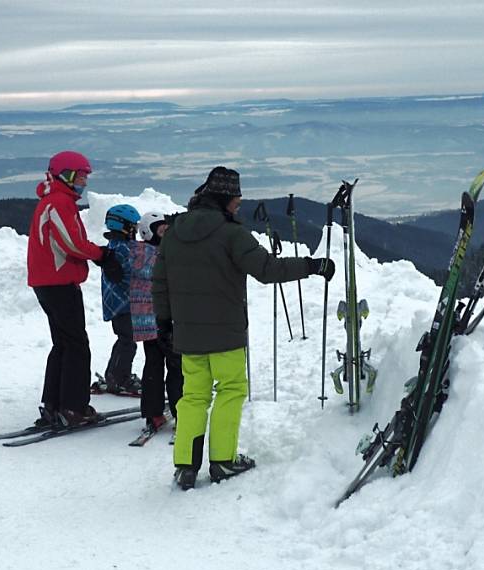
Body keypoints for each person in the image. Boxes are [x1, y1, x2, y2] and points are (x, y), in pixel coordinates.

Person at [153, 166, 335, 490]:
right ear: (223, 198)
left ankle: (186, 466)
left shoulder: (175, 232)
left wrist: (164, 325)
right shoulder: (231, 233)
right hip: (226, 334)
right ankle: (223, 460)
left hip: (188, 335)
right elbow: (267, 268)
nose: (239, 205)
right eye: (236, 200)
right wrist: (312, 265)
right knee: (231, 390)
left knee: (193, 396)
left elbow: (160, 283)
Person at [26, 150, 123, 427]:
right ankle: (73, 408)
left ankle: (54, 404)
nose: (84, 182)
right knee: (77, 346)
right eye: (81, 176)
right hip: (58, 283)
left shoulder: (54, 200)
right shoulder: (58, 202)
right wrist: (101, 255)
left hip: (49, 282)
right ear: (66, 175)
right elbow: (71, 243)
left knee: (64, 344)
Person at [132, 211, 183, 436]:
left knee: (152, 365)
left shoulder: (137, 252)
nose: (166, 235)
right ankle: (181, 412)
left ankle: (153, 414)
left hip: (143, 321)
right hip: (162, 319)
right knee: (176, 366)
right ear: (149, 233)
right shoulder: (161, 256)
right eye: (162, 231)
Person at [96, 204, 143, 396]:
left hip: (117, 303)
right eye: (133, 226)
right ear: (123, 227)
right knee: (128, 341)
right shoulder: (124, 249)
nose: (136, 230)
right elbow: (136, 272)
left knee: (124, 339)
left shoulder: (113, 247)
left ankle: (113, 375)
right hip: (123, 304)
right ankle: (120, 378)